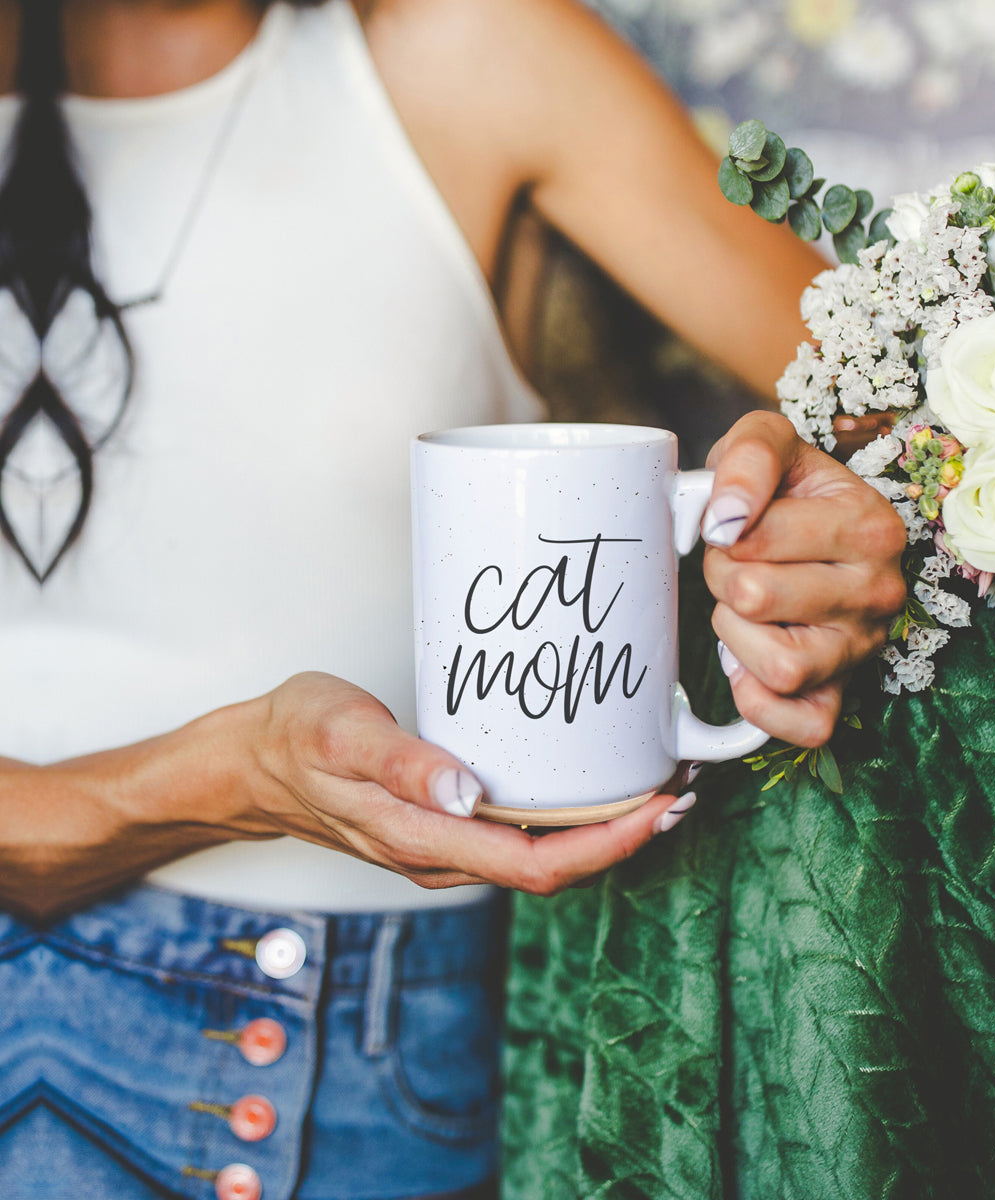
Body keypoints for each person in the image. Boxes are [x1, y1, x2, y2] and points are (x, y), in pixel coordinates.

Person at [0, 1, 906, 1197]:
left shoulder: (469, 53)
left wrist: (832, 525)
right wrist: (227, 775)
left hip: (313, 1058)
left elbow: (912, 424)